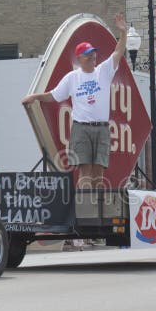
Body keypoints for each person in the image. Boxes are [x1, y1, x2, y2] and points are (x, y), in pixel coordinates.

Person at [21, 13, 128, 188]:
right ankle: (84, 209)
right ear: (79, 58)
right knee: (84, 171)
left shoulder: (103, 71)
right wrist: (34, 97)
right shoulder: (72, 77)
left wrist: (123, 33)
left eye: (93, 53)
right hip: (81, 127)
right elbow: (53, 95)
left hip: (101, 127)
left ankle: (98, 210)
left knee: (99, 173)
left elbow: (118, 52)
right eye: (88, 54)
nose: (92, 57)